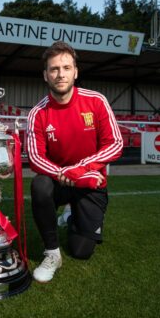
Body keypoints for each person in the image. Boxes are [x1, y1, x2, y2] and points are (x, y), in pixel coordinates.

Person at [26, 41, 123, 283]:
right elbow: (36, 159)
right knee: (39, 185)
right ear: (45, 75)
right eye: (54, 69)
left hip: (89, 183)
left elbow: (115, 144)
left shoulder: (96, 101)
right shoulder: (38, 113)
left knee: (81, 252)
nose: (60, 74)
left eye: (66, 68)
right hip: (63, 182)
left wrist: (80, 170)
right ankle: (52, 253)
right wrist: (72, 174)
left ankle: (71, 215)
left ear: (76, 72)